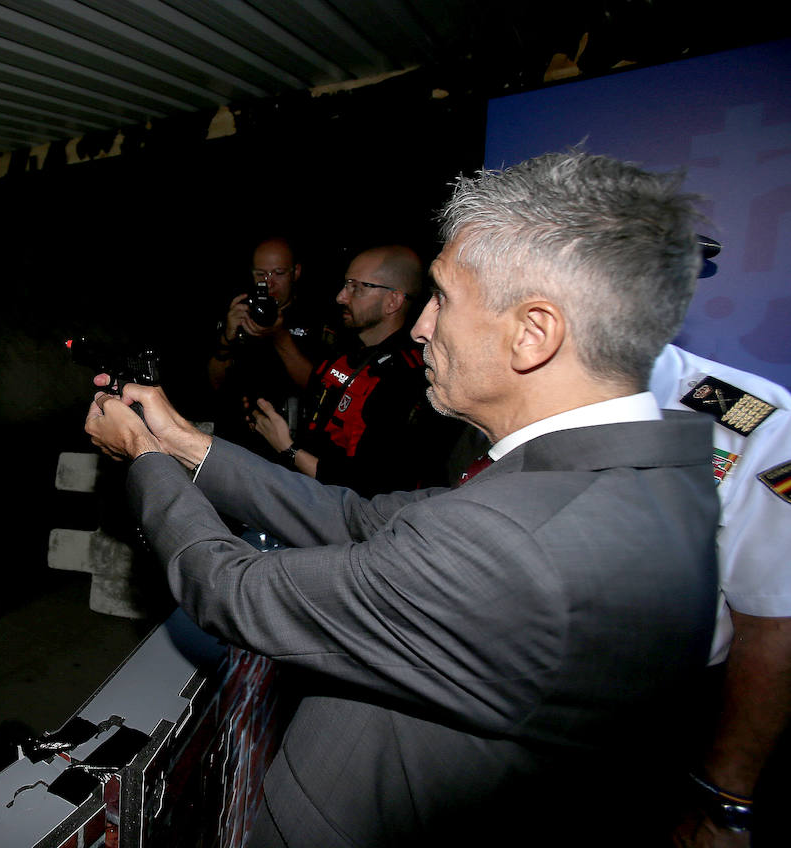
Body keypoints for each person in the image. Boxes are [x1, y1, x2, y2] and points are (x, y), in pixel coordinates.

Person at [83, 150, 720, 846]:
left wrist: (145, 458)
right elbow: (355, 517)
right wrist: (181, 441)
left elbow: (234, 592)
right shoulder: (629, 476)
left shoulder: (515, 544)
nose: (421, 327)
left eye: (442, 298)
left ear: (533, 333)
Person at [650, 344, 791, 847]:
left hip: (650, 715)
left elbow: (774, 622)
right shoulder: (476, 380)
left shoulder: (752, 420)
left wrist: (722, 800)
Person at [249, 244, 460, 494]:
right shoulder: (346, 349)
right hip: (307, 494)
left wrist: (288, 449)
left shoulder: (406, 378)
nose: (341, 297)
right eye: (346, 284)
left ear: (393, 301)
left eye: (356, 287)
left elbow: (369, 485)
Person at [207, 236, 328, 459]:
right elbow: (214, 383)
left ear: (296, 272)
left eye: (278, 273)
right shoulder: (239, 310)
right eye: (261, 274)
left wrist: (279, 337)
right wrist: (227, 339)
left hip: (291, 448)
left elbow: (322, 389)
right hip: (237, 445)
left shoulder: (318, 317)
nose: (269, 283)